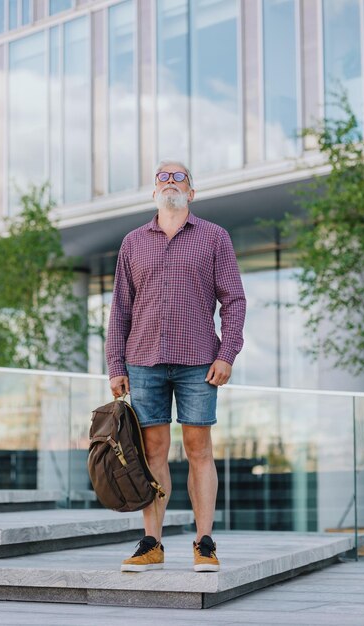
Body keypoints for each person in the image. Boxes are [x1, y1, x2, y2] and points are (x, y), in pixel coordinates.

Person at [105, 160, 246, 573]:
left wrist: (227, 354)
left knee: (199, 450)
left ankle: (204, 543)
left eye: (178, 176)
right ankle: (152, 542)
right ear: (153, 192)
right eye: (162, 178)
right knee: (152, 453)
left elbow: (234, 300)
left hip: (199, 360)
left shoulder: (215, 238)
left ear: (192, 192)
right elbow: (120, 311)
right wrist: (116, 363)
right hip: (143, 360)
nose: (170, 182)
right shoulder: (132, 242)